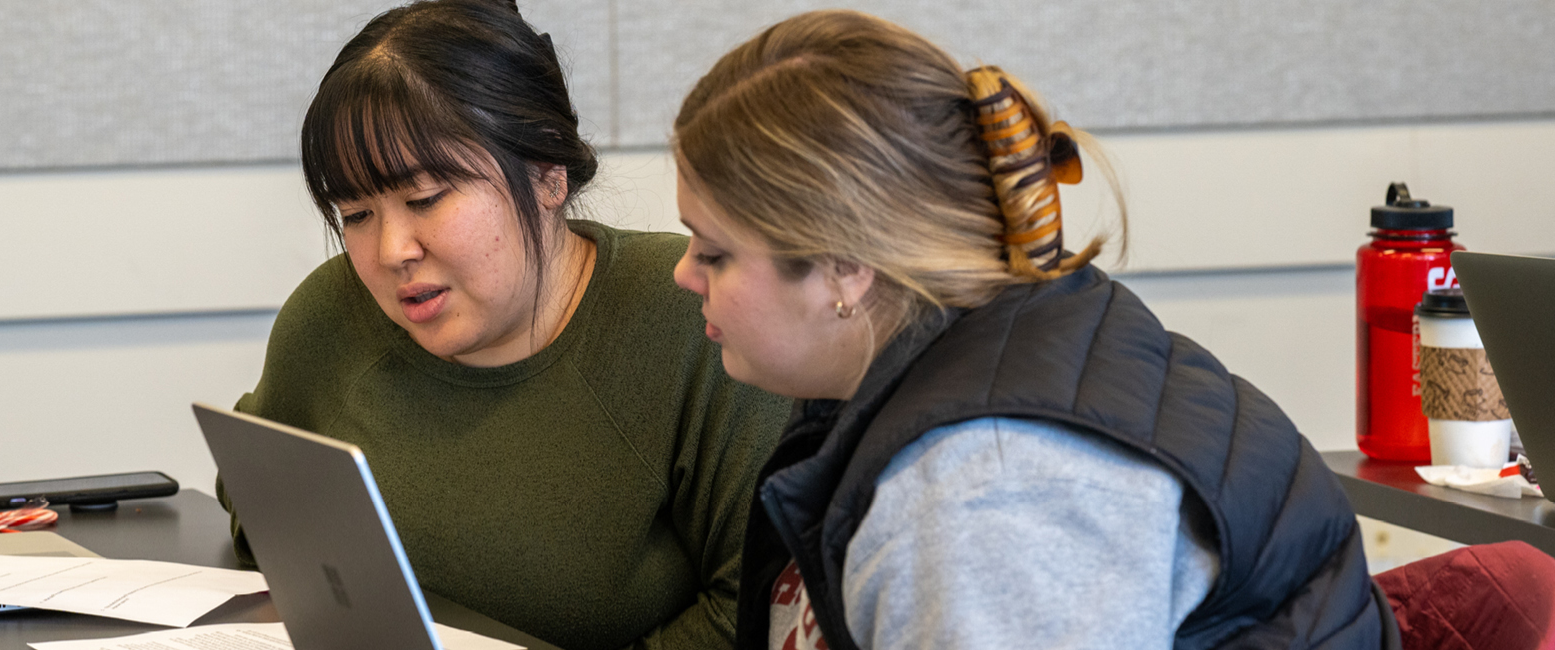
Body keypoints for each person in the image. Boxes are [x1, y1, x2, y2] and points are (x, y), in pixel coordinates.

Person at [669, 11, 1397, 649]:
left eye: (714, 253)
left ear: (845, 267)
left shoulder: (989, 491)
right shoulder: (1009, 338)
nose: (683, 275)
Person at [218, 2, 790, 649]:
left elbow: (755, 608)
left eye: (426, 199)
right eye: (356, 214)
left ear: (548, 174)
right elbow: (254, 500)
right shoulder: (330, 315)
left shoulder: (697, 319)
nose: (390, 251)